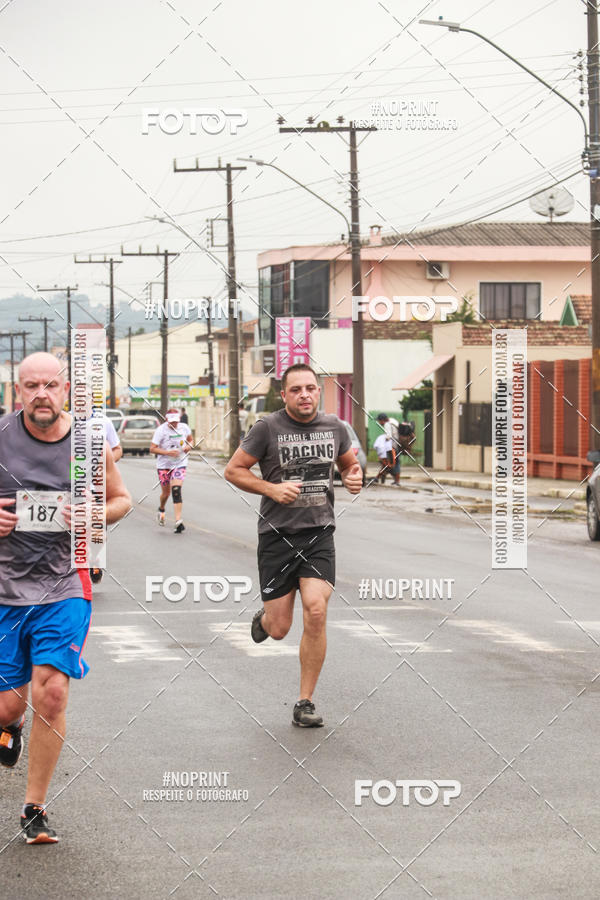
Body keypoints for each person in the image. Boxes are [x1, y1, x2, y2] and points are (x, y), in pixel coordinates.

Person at [0, 352, 131, 844]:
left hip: (63, 585)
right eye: (30, 386)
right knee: (7, 709)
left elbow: (120, 499)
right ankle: (9, 728)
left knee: (51, 693)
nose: (40, 394)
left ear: (66, 390)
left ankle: (34, 808)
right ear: (18, 393)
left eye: (49, 385)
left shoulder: (88, 443)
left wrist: (92, 515)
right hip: (5, 590)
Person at [224, 363, 362, 728]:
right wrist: (271, 489)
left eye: (311, 388)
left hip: (319, 534)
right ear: (283, 395)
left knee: (316, 610)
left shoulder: (335, 427)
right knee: (281, 627)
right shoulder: (267, 428)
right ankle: (265, 619)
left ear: (319, 392)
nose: (305, 394)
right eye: (296, 389)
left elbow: (349, 466)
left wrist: (352, 478)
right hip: (277, 536)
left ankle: (305, 702)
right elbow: (234, 470)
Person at [89, 414, 122, 584]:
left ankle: (95, 562)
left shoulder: (104, 422)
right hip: (71, 485)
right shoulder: (64, 420)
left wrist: (106, 463)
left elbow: (117, 449)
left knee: (97, 528)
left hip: (98, 487)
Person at [150, 407, 193, 533]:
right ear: (167, 420)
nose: (174, 424)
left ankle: (178, 521)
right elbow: (152, 449)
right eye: (171, 421)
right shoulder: (160, 430)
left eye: (176, 421)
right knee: (166, 493)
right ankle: (162, 508)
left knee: (176, 490)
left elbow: (190, 440)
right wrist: (167, 452)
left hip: (180, 463)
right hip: (164, 465)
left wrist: (188, 447)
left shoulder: (184, 427)